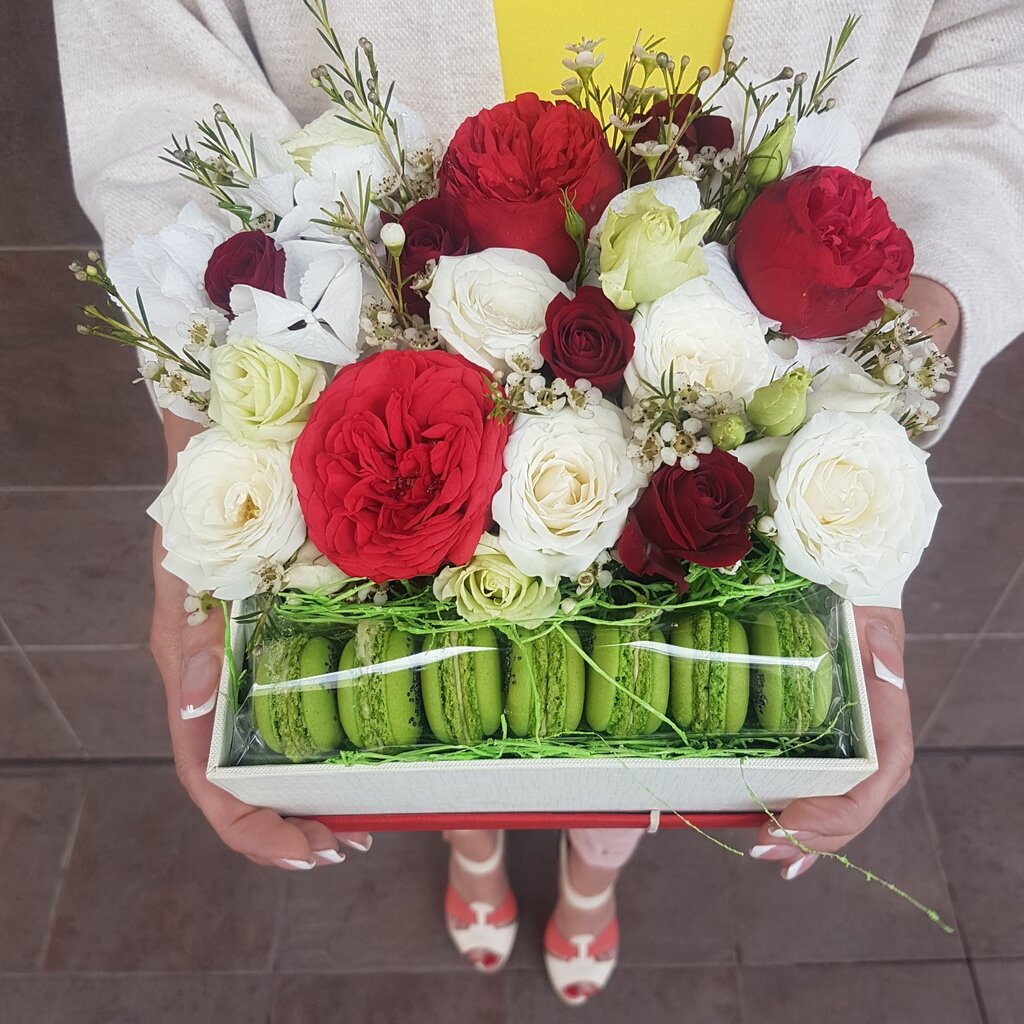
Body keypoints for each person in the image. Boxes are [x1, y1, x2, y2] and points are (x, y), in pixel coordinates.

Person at [55, 0, 1024, 1006]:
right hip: (362, 315)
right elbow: (151, 52)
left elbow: (991, 55)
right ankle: (468, 834)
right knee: (451, 704)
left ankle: (595, 863)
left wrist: (879, 360)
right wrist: (219, 434)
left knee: (641, 714)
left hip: (750, 368)